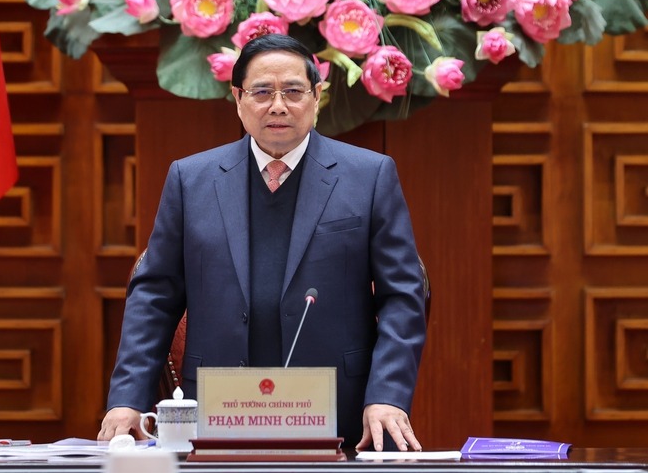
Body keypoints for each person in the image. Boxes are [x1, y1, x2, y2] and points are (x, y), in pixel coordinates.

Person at [98, 34, 426, 451]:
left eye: (293, 91)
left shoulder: (369, 176)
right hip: (217, 415)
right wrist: (127, 399)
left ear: (317, 96)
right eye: (262, 92)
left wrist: (387, 395)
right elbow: (154, 297)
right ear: (238, 98)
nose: (278, 106)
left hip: (341, 414)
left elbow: (402, 296)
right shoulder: (191, 180)